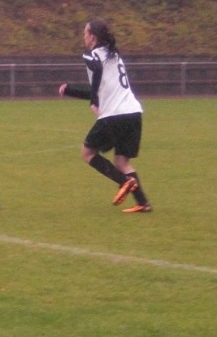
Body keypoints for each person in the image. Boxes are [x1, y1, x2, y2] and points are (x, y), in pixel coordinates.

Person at [58, 19, 152, 213]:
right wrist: (71, 91)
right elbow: (101, 90)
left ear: (92, 37)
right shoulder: (114, 55)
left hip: (115, 115)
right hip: (133, 113)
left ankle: (124, 182)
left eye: (85, 33)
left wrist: (94, 101)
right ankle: (143, 203)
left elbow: (97, 85)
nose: (83, 36)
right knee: (122, 161)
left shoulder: (93, 56)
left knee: (87, 152)